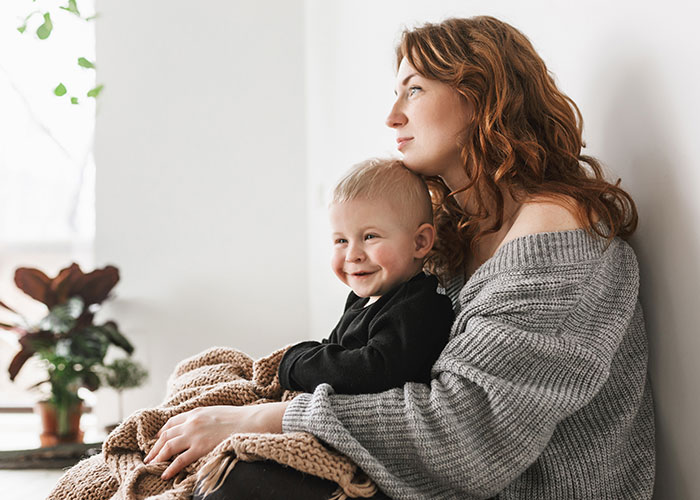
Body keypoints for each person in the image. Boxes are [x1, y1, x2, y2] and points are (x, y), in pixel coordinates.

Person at [147, 15, 655, 499]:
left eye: (414, 89)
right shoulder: (454, 236)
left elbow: (460, 440)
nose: (393, 116)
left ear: (482, 97)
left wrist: (265, 418)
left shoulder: (557, 234)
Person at [278, 158, 454, 395]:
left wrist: (296, 363)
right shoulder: (360, 301)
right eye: (341, 241)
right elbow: (335, 352)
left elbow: (371, 372)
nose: (352, 255)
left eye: (370, 237)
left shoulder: (421, 307)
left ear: (419, 242)